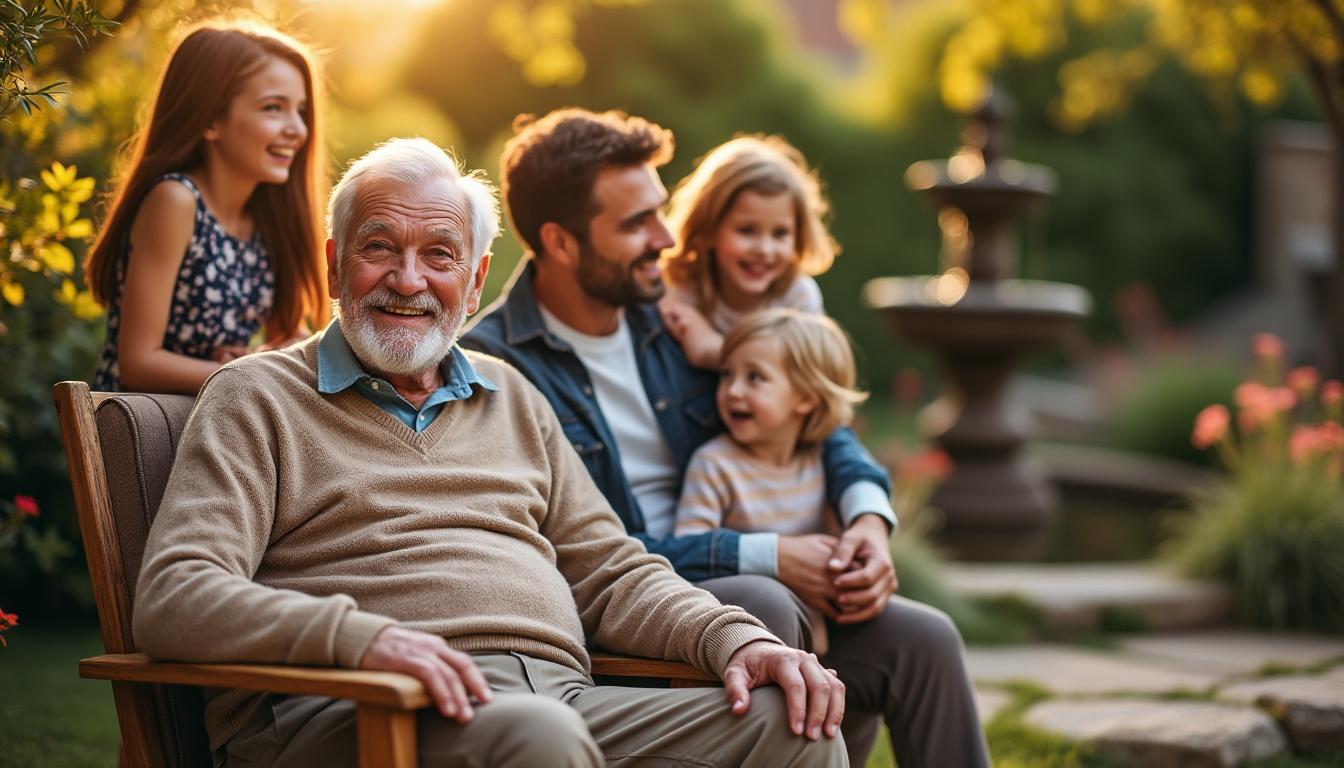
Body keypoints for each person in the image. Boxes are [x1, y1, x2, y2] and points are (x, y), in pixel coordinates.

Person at [133, 137, 848, 768]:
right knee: (537, 739)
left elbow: (611, 571)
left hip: (561, 700)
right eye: (379, 247)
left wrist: (735, 640)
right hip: (354, 708)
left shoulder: (511, 395)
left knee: (792, 730)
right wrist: (359, 640)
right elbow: (176, 595)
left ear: (474, 283)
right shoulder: (256, 397)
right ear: (335, 262)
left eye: (439, 255)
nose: (408, 280)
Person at [463, 108, 992, 768]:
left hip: (741, 590)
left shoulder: (682, 321)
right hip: (628, 612)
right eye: (636, 223)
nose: (666, 236)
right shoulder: (493, 370)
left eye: (660, 209)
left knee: (925, 640)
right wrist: (767, 555)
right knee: (768, 597)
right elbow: (572, 560)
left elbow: (817, 420)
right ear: (562, 243)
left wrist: (868, 521)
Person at [86, 21, 328, 393]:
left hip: (216, 426)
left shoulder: (266, 220)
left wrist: (285, 352)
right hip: (141, 435)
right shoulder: (175, 201)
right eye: (273, 108)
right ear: (211, 120)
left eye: (300, 110)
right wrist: (253, 370)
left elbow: (279, 342)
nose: (298, 129)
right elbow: (137, 363)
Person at [675, 309, 871, 656]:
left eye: (754, 378)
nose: (733, 390)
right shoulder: (714, 464)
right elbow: (690, 550)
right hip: (749, 622)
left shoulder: (816, 462)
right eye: (726, 375)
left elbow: (834, 544)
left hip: (821, 630)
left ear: (806, 397)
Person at [658, 135, 834, 369]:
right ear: (708, 229)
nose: (764, 249)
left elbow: (805, 373)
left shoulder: (797, 298)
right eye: (747, 230)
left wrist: (713, 350)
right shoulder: (682, 291)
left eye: (780, 233)